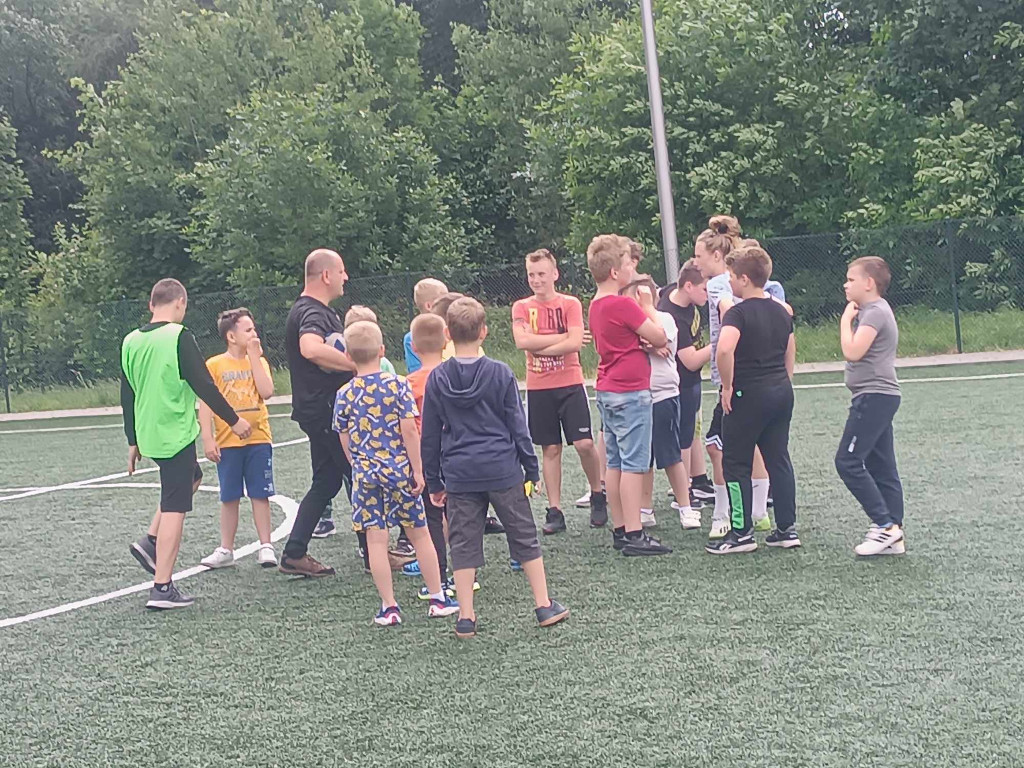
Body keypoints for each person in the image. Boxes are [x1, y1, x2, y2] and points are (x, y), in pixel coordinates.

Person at [421, 297, 569, 638]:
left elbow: (429, 435)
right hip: (502, 468)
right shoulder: (500, 373)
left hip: (459, 472)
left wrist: (434, 481)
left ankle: (466, 617)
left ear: (447, 333)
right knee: (524, 535)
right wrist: (531, 468)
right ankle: (543, 604)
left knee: (463, 543)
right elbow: (518, 425)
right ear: (484, 332)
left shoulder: (437, 378)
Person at [122, 278, 251, 609]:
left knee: (192, 478)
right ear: (180, 303)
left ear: (151, 305)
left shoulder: (131, 340)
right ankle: (162, 586)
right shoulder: (179, 336)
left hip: (149, 431)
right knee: (175, 505)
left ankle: (150, 541)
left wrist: (132, 439)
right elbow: (203, 385)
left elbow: (127, 393)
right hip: (173, 433)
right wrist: (234, 420)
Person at [333, 320, 460, 625]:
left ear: (348, 356)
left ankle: (389, 606)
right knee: (420, 534)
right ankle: (437, 597)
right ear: (382, 351)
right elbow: (410, 431)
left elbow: (344, 436)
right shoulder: (398, 385)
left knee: (376, 541)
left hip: (366, 475)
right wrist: (418, 470)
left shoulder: (344, 393)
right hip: (399, 471)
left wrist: (356, 464)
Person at [706, 247, 800, 554]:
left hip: (748, 394)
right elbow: (790, 347)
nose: (730, 282)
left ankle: (741, 533)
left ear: (744, 279)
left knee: (735, 463)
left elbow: (724, 349)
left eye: (732, 277)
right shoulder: (782, 310)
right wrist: (785, 378)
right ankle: (786, 528)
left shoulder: (738, 312)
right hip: (780, 391)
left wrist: (727, 386)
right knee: (778, 459)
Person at [586, 234, 672, 556]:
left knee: (616, 462)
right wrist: (647, 307)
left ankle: (621, 528)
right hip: (630, 390)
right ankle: (635, 533)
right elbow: (659, 335)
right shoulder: (623, 304)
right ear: (614, 272)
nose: (630, 270)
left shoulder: (595, 304)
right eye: (626, 264)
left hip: (608, 388)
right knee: (635, 464)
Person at [512, 248, 607, 534]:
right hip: (539, 387)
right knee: (550, 448)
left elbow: (575, 344)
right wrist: (563, 338)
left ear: (555, 274)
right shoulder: (520, 307)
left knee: (584, 444)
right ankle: (554, 510)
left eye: (541, 274)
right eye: (531, 274)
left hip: (570, 384)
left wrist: (541, 343)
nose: (536, 280)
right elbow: (522, 342)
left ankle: (597, 493)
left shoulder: (570, 304)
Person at [279, 249, 357, 577]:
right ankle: (375, 553)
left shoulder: (317, 310)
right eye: (341, 271)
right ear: (326, 275)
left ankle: (294, 552)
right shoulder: (311, 311)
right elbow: (310, 348)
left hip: (320, 409)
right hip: (325, 411)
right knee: (358, 474)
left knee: (326, 481)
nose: (345, 277)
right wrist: (357, 364)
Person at [692, 216, 771, 539]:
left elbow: (730, 313)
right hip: (755, 372)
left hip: (736, 375)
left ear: (716, 255)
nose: (695, 262)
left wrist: (727, 376)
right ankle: (759, 511)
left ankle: (725, 514)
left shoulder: (718, 284)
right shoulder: (748, 281)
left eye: (698, 256)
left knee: (717, 446)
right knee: (753, 444)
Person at [198, 308, 278, 570]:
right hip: (228, 442)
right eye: (248, 330)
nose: (254, 334)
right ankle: (226, 548)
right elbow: (207, 402)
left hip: (259, 439)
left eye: (254, 329)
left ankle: (266, 545)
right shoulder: (214, 365)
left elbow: (266, 391)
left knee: (260, 493)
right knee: (229, 495)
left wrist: (255, 358)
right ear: (231, 337)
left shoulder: (259, 361)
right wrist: (208, 438)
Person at [836, 256, 905, 556]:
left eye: (851, 279)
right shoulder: (873, 311)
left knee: (847, 462)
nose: (845, 285)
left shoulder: (875, 311)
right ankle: (894, 533)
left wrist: (844, 322)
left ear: (869, 283)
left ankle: (885, 526)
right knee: (881, 465)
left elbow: (853, 351)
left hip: (874, 396)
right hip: (878, 396)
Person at [619, 276, 692, 529]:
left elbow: (662, 339)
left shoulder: (664, 318)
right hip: (637, 395)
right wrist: (649, 346)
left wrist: (649, 313)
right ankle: (645, 508)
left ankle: (685, 506)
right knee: (643, 458)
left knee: (671, 455)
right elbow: (638, 344)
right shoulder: (629, 323)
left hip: (663, 394)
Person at [657, 260, 710, 529]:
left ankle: (697, 481)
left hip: (691, 381)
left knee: (692, 432)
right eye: (704, 289)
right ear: (688, 286)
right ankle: (684, 493)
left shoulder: (672, 291)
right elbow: (689, 361)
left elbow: (659, 290)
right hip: (681, 383)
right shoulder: (673, 315)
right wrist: (720, 343)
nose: (708, 294)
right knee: (684, 439)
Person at [404, 278, 449, 374]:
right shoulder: (411, 338)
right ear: (429, 306)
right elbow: (416, 371)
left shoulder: (450, 331)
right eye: (443, 302)